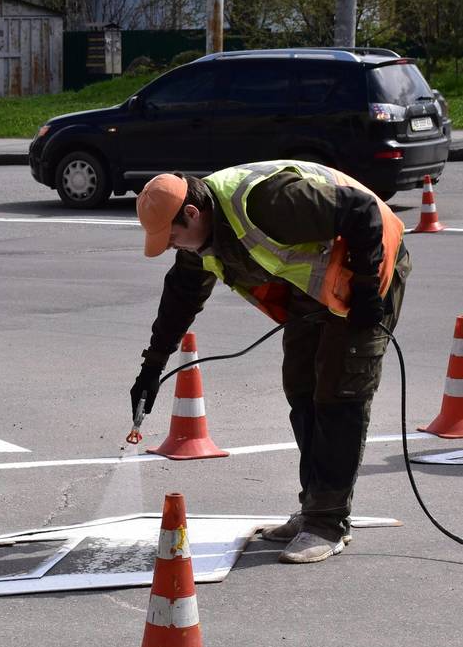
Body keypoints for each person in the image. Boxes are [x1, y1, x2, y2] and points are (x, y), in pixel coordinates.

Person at [129, 161, 410, 563]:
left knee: (339, 392)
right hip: (317, 289)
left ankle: (327, 524)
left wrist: (366, 289)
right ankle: (313, 507)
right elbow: (180, 298)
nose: (173, 246)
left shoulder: (266, 203)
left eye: (172, 238)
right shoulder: (201, 236)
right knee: (301, 387)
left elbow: (362, 210)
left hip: (373, 266)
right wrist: (151, 368)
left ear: (191, 213)